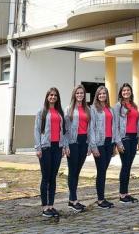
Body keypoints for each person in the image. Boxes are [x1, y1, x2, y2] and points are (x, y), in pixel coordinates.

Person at [33, 87, 68, 218]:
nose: (53, 97)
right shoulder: (41, 112)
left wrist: (63, 146)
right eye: (51, 95)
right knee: (46, 177)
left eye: (55, 95)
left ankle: (51, 205)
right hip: (45, 147)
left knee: (53, 177)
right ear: (47, 97)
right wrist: (38, 148)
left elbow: (62, 131)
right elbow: (36, 130)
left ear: (57, 98)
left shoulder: (59, 112)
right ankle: (44, 207)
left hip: (57, 148)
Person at [88, 85, 117, 209]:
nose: (102, 95)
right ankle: (100, 200)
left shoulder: (111, 109)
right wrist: (93, 146)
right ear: (97, 95)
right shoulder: (93, 109)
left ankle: (102, 197)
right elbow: (91, 129)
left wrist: (115, 144)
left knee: (104, 171)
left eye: (104, 93)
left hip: (109, 143)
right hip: (99, 143)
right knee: (101, 171)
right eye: (100, 94)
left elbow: (114, 126)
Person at [114, 83, 139, 203]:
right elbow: (114, 125)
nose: (126, 92)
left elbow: (137, 124)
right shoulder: (118, 106)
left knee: (128, 166)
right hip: (124, 138)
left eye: (128, 90)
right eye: (124, 90)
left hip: (133, 138)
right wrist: (118, 143)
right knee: (125, 165)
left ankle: (126, 193)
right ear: (121, 92)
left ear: (131, 92)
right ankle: (122, 194)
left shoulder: (134, 106)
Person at [64, 85, 90, 212]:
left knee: (77, 171)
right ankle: (74, 200)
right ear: (74, 95)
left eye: (82, 93)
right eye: (77, 93)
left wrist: (90, 144)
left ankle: (71, 199)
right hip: (73, 142)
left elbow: (90, 128)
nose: (80, 95)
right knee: (72, 171)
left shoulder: (87, 109)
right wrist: (66, 145)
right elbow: (64, 129)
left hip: (83, 141)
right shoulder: (69, 109)